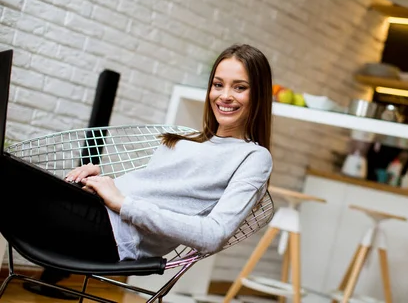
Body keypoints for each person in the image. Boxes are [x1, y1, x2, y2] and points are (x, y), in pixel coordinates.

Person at [1, 43, 274, 267]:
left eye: (239, 87)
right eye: (218, 84)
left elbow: (213, 235)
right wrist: (105, 182)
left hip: (112, 236)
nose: (224, 96)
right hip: (94, 209)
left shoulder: (253, 157)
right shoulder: (189, 138)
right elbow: (151, 190)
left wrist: (122, 203)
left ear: (259, 94)